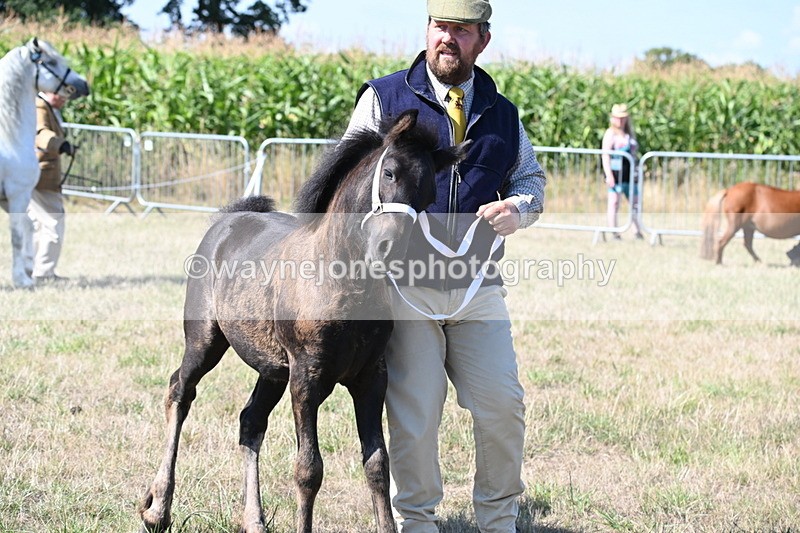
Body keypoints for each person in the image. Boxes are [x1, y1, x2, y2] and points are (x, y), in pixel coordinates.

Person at [344, 1, 546, 531]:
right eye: (440, 27)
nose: (448, 39)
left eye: (461, 30)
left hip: (478, 287)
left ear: (483, 39)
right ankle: (416, 522)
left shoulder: (503, 113)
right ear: (427, 30)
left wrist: (517, 208)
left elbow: (531, 182)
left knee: (502, 404)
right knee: (416, 414)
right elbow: (347, 177)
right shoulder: (383, 98)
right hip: (405, 288)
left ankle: (499, 521)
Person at [29, 91, 75, 283]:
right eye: (60, 94)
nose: (65, 99)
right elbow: (40, 133)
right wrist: (60, 144)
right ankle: (44, 273)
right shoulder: (40, 105)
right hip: (43, 176)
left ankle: (34, 269)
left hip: (38, 174)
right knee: (53, 221)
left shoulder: (45, 106)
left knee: (37, 224)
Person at [601, 103, 643, 239]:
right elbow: (605, 155)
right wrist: (609, 175)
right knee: (614, 203)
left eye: (622, 117)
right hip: (616, 174)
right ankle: (614, 232)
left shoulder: (629, 134)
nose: (620, 120)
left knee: (634, 203)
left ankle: (637, 231)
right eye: (617, 117)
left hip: (630, 174)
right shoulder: (610, 133)